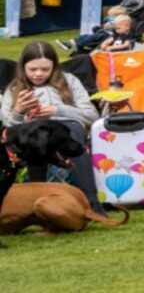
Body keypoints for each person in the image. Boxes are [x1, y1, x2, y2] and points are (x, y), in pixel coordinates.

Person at [1, 42, 102, 203]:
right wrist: (18, 111)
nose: (39, 74)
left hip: (68, 128)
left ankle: (92, 201)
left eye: (45, 69)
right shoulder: (15, 88)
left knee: (72, 138)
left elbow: (92, 116)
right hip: (36, 132)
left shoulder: (69, 81)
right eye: (32, 69)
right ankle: (36, 202)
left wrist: (58, 110)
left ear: (54, 67)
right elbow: (8, 128)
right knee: (34, 141)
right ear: (22, 68)